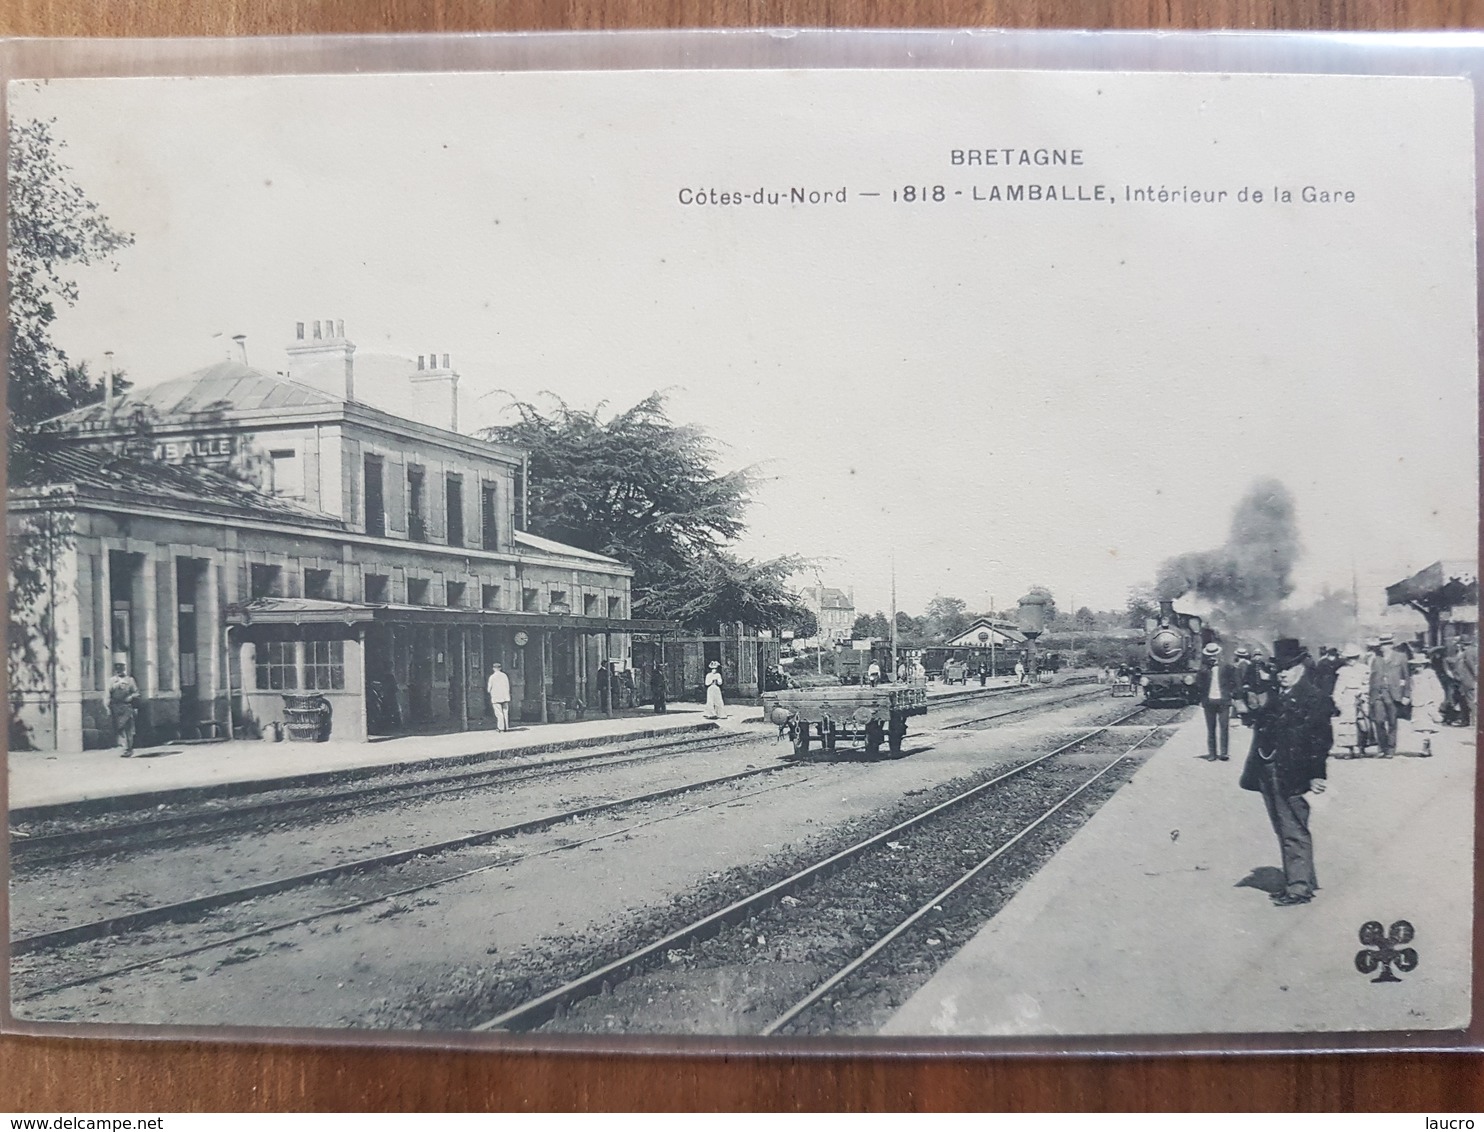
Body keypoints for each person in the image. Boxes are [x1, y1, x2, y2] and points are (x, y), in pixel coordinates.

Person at [1239, 638, 1330, 907]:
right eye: (1279, 669)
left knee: (1294, 830)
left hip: (1295, 773)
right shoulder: (1277, 696)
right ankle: (1299, 880)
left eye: (1288, 669)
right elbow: (1259, 721)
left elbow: (1321, 741)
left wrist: (1317, 775)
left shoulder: (1314, 698)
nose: (1282, 674)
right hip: (1270, 771)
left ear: (1301, 667)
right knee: (1283, 829)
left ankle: (1299, 888)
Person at [1367, 633, 1411, 758]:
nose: (1383, 647)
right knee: (1379, 721)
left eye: (1386, 644)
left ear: (1391, 645)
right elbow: (1372, 678)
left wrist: (1406, 695)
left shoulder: (1401, 657)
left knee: (1392, 721)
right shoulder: (1376, 659)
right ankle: (1382, 747)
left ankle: (1391, 749)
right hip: (1378, 694)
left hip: (1393, 694)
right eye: (1381, 645)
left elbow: (1406, 677)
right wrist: (1370, 695)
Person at [1195, 642, 1236, 761]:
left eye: (1214, 654)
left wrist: (1231, 694)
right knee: (1211, 729)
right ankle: (1212, 754)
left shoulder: (1227, 667)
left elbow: (1234, 681)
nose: (1212, 657)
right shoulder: (1203, 669)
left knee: (1224, 727)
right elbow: (1198, 685)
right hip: (1209, 703)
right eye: (1209, 655)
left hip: (1223, 702)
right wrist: (1202, 697)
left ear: (1218, 654)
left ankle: (1224, 753)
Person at [1330, 646, 1368, 755]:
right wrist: (1337, 699)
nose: (1351, 660)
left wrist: (1362, 692)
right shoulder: (1343, 671)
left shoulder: (1364, 669)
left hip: (1361, 697)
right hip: (1347, 698)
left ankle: (1362, 746)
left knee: (1362, 723)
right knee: (1348, 724)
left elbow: (1367, 683)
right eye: (1349, 658)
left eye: (1354, 658)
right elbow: (1339, 687)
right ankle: (1350, 748)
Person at [108, 662, 142, 757]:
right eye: (117, 670)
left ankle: (128, 749)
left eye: (121, 669)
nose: (119, 671)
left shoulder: (130, 680)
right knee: (119, 727)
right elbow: (108, 693)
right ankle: (123, 747)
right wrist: (107, 706)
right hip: (116, 706)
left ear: (124, 669)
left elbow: (136, 693)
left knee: (128, 728)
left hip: (127, 706)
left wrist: (131, 697)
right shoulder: (112, 681)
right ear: (115, 671)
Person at [486, 661, 512, 731]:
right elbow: (508, 686)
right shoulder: (505, 676)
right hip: (505, 696)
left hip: (496, 697)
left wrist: (490, 691)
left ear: (494, 668)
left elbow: (489, 688)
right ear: (500, 668)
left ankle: (501, 727)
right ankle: (506, 727)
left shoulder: (492, 677)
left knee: (499, 713)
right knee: (505, 712)